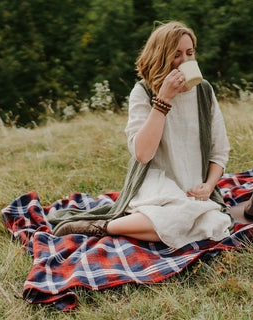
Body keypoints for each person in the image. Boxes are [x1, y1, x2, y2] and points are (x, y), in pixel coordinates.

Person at [50, 21, 234, 249]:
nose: (186, 61)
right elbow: (143, 154)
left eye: (190, 53)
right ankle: (103, 226)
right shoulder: (143, 92)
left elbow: (219, 151)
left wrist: (208, 185)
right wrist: (163, 100)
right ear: (162, 58)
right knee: (184, 218)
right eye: (176, 55)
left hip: (192, 188)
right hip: (155, 181)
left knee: (216, 222)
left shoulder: (204, 91)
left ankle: (109, 225)